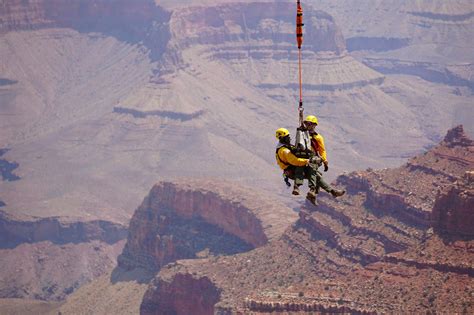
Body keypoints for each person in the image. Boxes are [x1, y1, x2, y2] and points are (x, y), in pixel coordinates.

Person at [302, 115, 345, 201]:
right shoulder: (302, 134)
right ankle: (319, 191)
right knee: (315, 174)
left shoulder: (318, 137)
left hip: (312, 158)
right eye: (307, 123)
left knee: (316, 174)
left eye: (310, 124)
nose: (308, 125)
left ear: (314, 125)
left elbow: (322, 150)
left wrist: (325, 161)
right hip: (302, 158)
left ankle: (328, 191)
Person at [275, 127, 320, 204]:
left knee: (318, 175)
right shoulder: (284, 150)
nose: (289, 138)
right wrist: (309, 160)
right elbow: (295, 161)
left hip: (293, 167)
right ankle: (298, 187)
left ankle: (316, 193)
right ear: (282, 138)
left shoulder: (286, 147)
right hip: (291, 170)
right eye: (287, 137)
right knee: (311, 172)